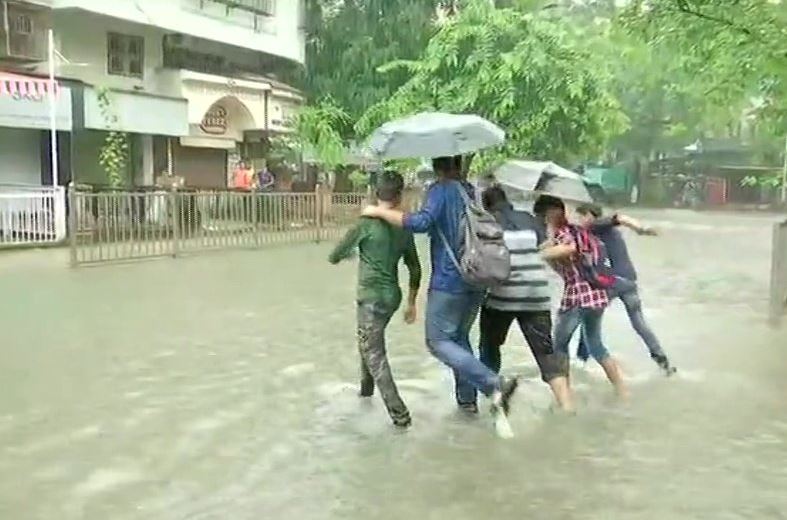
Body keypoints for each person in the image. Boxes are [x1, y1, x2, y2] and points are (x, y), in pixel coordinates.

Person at [362, 155, 519, 438]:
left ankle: (494, 384)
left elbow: (421, 222)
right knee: (458, 338)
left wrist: (379, 212)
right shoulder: (472, 191)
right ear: (459, 163)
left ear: (437, 166)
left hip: (450, 280)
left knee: (437, 341)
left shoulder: (441, 190)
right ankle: (468, 405)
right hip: (477, 279)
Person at [328, 171, 422, 429]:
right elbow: (415, 268)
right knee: (368, 341)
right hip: (392, 297)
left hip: (370, 297)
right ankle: (366, 391)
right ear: (400, 195)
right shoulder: (403, 228)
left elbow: (334, 255)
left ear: (374, 194)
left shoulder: (364, 225)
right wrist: (412, 303)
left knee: (373, 352)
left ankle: (400, 415)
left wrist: (353, 253)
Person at [479, 187, 574, 412]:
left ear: (486, 206)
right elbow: (547, 247)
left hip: (502, 297)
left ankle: (494, 392)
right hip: (536, 295)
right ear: (507, 200)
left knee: (490, 346)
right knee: (546, 354)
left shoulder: (487, 223)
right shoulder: (530, 220)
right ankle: (568, 407)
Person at [535, 195, 628, 399]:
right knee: (596, 346)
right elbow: (570, 266)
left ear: (551, 213)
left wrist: (535, 255)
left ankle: (565, 398)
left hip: (578, 298)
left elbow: (569, 248)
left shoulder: (564, 234)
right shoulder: (581, 232)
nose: (541, 221)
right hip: (597, 296)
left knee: (558, 347)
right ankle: (622, 391)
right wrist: (548, 250)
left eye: (542, 216)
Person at [574, 203, 676, 375]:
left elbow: (619, 217)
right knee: (639, 323)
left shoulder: (596, 225)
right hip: (629, 281)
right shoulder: (604, 232)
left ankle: (580, 361)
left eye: (580, 216)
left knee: (589, 315)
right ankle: (663, 362)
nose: (579, 221)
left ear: (589, 215)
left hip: (612, 282)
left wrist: (641, 229)